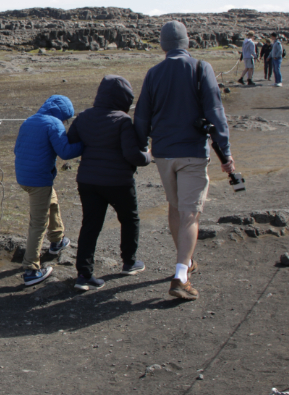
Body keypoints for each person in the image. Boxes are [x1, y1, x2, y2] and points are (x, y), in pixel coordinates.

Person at [134, 21, 234, 302]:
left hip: (163, 153)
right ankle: (180, 275)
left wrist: (141, 147)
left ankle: (187, 262)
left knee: (176, 208)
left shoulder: (153, 73)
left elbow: (142, 115)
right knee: (190, 213)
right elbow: (215, 112)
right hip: (192, 151)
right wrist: (225, 154)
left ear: (163, 44)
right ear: (186, 42)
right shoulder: (202, 68)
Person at [66, 76, 152, 291]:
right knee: (130, 219)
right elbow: (133, 156)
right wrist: (150, 155)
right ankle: (129, 262)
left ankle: (84, 275)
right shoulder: (122, 120)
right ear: (125, 98)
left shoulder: (84, 116)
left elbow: (72, 141)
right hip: (118, 181)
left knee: (90, 226)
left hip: (87, 180)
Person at [13, 94, 82, 287]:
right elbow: (65, 152)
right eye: (67, 119)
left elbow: (17, 149)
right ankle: (31, 269)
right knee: (38, 223)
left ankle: (57, 240)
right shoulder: (54, 124)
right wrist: (86, 145)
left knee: (52, 201)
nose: (66, 122)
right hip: (39, 180)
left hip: (24, 177)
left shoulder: (30, 120)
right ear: (64, 115)